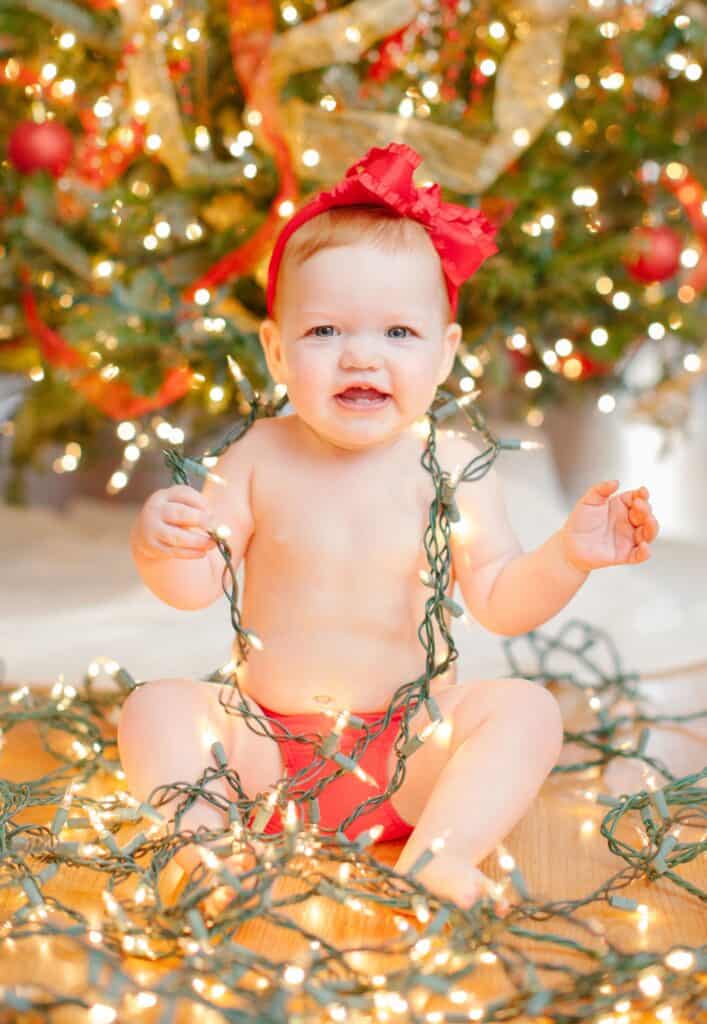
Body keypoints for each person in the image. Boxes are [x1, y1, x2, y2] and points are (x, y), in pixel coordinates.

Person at [118, 142, 660, 910]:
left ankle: (439, 855)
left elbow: (502, 597)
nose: (360, 358)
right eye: (325, 332)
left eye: (398, 334)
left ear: (443, 356)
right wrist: (159, 543)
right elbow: (191, 587)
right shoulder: (256, 455)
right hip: (265, 753)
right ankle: (204, 849)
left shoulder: (453, 463)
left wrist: (569, 555)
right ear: (276, 350)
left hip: (410, 757)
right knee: (157, 707)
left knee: (525, 709)